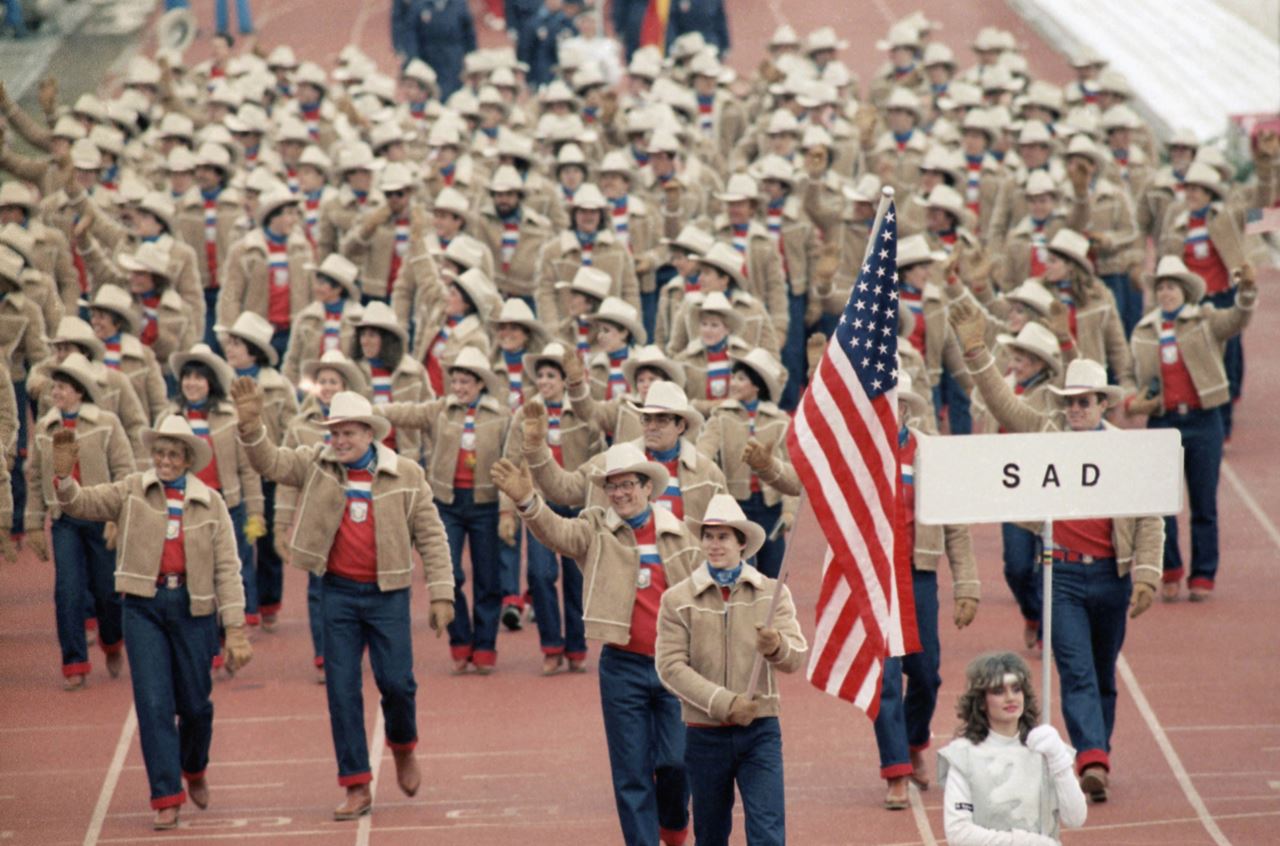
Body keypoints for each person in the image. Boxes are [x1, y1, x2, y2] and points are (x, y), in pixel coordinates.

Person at [952, 301, 1163, 802]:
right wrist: (978, 351)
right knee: (1075, 669)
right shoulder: (1048, 435)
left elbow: (1151, 516)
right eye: (1068, 402)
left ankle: (1098, 749)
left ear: (1103, 405)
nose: (1074, 410)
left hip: (1111, 577)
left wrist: (1149, 575)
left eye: (1084, 402)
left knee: (1103, 670)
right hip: (1062, 575)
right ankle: (1091, 757)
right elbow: (1004, 404)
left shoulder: (1127, 452)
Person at [231, 382, 454, 820]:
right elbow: (271, 463)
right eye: (334, 433)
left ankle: (403, 745)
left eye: (348, 433)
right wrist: (251, 425)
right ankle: (356, 784)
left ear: (371, 434)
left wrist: (441, 593)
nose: (340, 441)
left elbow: (431, 535)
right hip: (338, 593)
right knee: (341, 691)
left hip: (388, 595)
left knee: (397, 684)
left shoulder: (406, 474)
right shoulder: (317, 464)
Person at [50, 415, 252, 830]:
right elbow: (81, 504)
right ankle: (166, 795)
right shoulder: (132, 490)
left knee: (196, 706)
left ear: (187, 459)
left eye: (173, 453)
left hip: (193, 610)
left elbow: (228, 570)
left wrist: (234, 628)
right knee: (153, 703)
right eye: (159, 452)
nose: (164, 460)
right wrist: (63, 477)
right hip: (143, 607)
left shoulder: (210, 502)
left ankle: (194, 767)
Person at [492, 443, 698, 846]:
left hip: (675, 667)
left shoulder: (680, 534)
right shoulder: (595, 528)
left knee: (675, 763)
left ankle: (673, 829)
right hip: (623, 667)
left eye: (627, 485)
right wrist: (527, 501)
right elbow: (557, 533)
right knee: (631, 772)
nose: (620, 494)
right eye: (612, 487)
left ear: (647, 487)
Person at [655, 494, 808, 846]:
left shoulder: (772, 593)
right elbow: (670, 667)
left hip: (761, 730)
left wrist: (777, 648)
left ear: (742, 543)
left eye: (723, 536)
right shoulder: (678, 599)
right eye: (708, 536)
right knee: (710, 835)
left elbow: (796, 656)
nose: (714, 544)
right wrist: (725, 704)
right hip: (704, 733)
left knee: (768, 832)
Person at [874, 372, 980, 809]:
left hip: (918, 576)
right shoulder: (858, 453)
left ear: (907, 409)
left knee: (926, 674)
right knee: (884, 679)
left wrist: (967, 584)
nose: (889, 411)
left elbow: (955, 525)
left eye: (896, 403)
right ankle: (895, 770)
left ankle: (916, 738)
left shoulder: (930, 455)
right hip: (876, 577)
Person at [1126, 258, 1258, 601]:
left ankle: (1203, 574)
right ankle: (1169, 569)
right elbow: (1128, 373)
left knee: (1203, 501)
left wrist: (1246, 291)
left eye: (1172, 286)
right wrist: (1130, 399)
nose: (1166, 293)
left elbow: (1237, 319)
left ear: (1185, 290)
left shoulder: (1204, 319)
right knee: (1164, 502)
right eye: (1161, 287)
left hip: (1203, 419)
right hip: (1163, 421)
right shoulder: (1143, 330)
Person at [376, 347, 512, 673]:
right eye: (456, 380)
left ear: (481, 384)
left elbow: (512, 464)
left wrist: (508, 511)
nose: (460, 387)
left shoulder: (501, 416)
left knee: (488, 580)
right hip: (446, 504)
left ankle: (485, 646)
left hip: (485, 505)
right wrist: (370, 410)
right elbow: (406, 412)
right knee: (450, 574)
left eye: (467, 381)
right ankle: (460, 639)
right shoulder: (439, 410)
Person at [26, 353, 135, 689]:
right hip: (65, 521)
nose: (56, 393)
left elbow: (125, 470)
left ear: (79, 392)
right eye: (55, 387)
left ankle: (113, 642)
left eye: (62, 387)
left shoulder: (106, 423)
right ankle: (74, 662)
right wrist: (33, 523)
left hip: (101, 516)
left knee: (107, 591)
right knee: (68, 592)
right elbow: (33, 478)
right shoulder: (46, 428)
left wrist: (120, 515)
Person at [938, 652, 1087, 845]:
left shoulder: (1045, 748)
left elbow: (1076, 818)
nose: (1010, 698)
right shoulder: (963, 755)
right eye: (999, 691)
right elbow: (959, 834)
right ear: (982, 702)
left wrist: (1060, 761)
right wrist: (1027, 842)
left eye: (1016, 689)